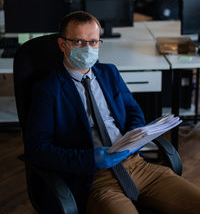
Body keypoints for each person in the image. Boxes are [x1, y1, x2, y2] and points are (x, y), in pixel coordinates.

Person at [25, 11, 200, 214]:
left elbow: (134, 110)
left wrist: (133, 137)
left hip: (137, 166)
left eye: (93, 42)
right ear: (63, 45)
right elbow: (36, 149)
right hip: (95, 178)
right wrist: (90, 159)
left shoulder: (109, 73)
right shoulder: (48, 89)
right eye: (79, 42)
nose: (88, 48)